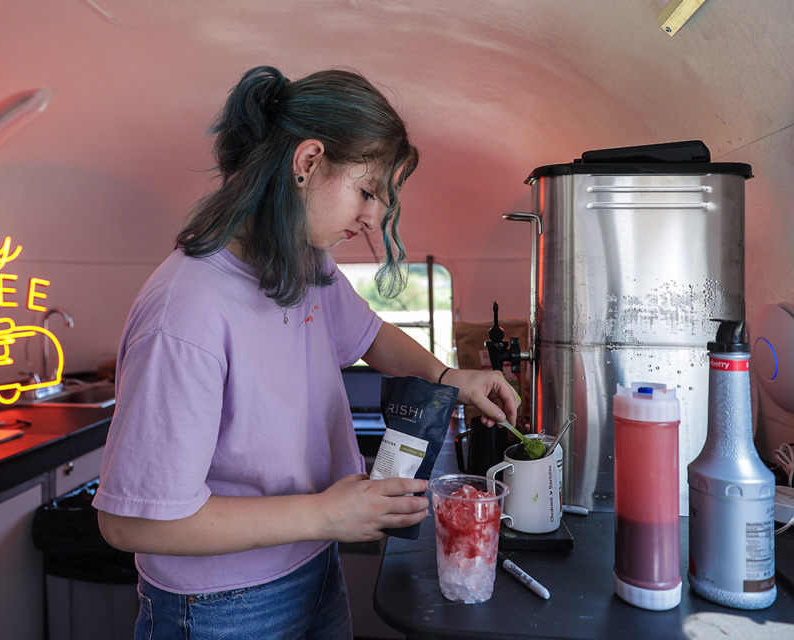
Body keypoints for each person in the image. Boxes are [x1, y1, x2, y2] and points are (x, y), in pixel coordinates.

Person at [93, 65, 520, 640]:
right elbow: (129, 523)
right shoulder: (186, 312)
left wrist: (448, 375)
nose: (373, 218)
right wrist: (325, 513)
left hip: (312, 565)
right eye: (367, 191)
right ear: (309, 161)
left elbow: (368, 334)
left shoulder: (303, 261)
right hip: (222, 607)